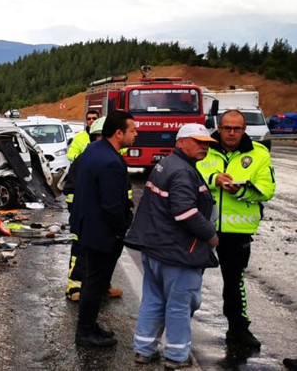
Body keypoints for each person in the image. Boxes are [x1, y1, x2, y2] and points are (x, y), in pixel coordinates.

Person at [125, 123, 220, 368]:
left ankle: (144, 350)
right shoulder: (182, 171)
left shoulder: (168, 164)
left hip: (156, 248)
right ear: (181, 142)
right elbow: (185, 212)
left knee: (153, 300)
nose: (204, 147)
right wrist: (210, 234)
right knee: (180, 305)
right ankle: (177, 356)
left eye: (207, 144)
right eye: (198, 142)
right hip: (177, 252)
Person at [196, 109, 276, 349]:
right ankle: (177, 327)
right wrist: (215, 180)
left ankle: (238, 329)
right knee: (189, 279)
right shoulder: (203, 148)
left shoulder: (259, 154)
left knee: (234, 282)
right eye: (227, 128)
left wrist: (240, 190)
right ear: (219, 128)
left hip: (237, 230)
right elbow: (188, 177)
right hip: (201, 226)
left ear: (244, 130)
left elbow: (267, 189)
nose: (231, 133)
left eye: (237, 128)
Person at [71, 110, 137, 347]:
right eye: (132, 130)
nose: (136, 134)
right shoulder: (110, 161)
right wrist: (120, 229)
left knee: (91, 280)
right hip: (102, 233)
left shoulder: (94, 150)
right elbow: (111, 205)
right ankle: (85, 331)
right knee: (95, 283)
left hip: (88, 227)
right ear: (119, 133)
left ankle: (89, 325)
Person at [63, 117, 124, 301]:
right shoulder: (85, 159)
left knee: (104, 255)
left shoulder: (114, 159)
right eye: (99, 137)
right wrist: (79, 214)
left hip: (102, 218)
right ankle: (74, 286)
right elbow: (71, 190)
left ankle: (102, 286)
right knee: (81, 251)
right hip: (85, 217)